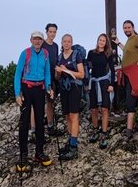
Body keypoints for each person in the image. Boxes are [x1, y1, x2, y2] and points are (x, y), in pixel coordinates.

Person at [13, 31, 54, 172]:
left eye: (39, 39)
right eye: (35, 39)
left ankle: (39, 152)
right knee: (24, 123)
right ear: (31, 39)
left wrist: (49, 87)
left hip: (40, 89)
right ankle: (23, 155)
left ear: (42, 41)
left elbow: (47, 72)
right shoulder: (25, 53)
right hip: (27, 88)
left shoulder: (46, 54)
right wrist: (17, 93)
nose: (37, 41)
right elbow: (18, 73)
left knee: (40, 121)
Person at [113, 20, 138, 139]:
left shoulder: (136, 38)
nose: (126, 30)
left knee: (132, 101)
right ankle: (135, 127)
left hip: (134, 75)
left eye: (128, 27)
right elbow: (127, 51)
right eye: (124, 28)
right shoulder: (130, 40)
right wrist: (119, 43)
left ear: (133, 27)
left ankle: (129, 131)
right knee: (131, 101)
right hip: (127, 75)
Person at [55, 34, 84, 160]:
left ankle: (73, 147)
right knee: (67, 115)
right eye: (64, 41)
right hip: (64, 89)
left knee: (74, 115)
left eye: (69, 41)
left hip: (74, 88)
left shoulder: (76, 55)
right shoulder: (59, 57)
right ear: (61, 43)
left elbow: (82, 74)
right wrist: (58, 72)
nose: (66, 43)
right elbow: (57, 77)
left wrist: (67, 71)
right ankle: (70, 140)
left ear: (72, 43)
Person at [86, 33, 115, 149]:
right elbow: (87, 68)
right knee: (93, 109)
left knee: (104, 108)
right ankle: (95, 130)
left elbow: (112, 70)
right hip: (93, 82)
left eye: (103, 40)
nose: (101, 42)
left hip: (104, 83)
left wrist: (112, 84)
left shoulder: (108, 54)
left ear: (106, 42)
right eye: (100, 40)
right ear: (97, 41)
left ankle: (104, 133)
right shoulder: (91, 53)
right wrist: (86, 82)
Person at [43, 23, 63, 136]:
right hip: (42, 78)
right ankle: (35, 128)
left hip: (53, 78)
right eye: (50, 31)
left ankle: (50, 126)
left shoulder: (55, 46)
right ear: (46, 32)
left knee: (51, 102)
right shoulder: (42, 44)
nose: (52, 34)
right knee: (39, 103)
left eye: (54, 32)